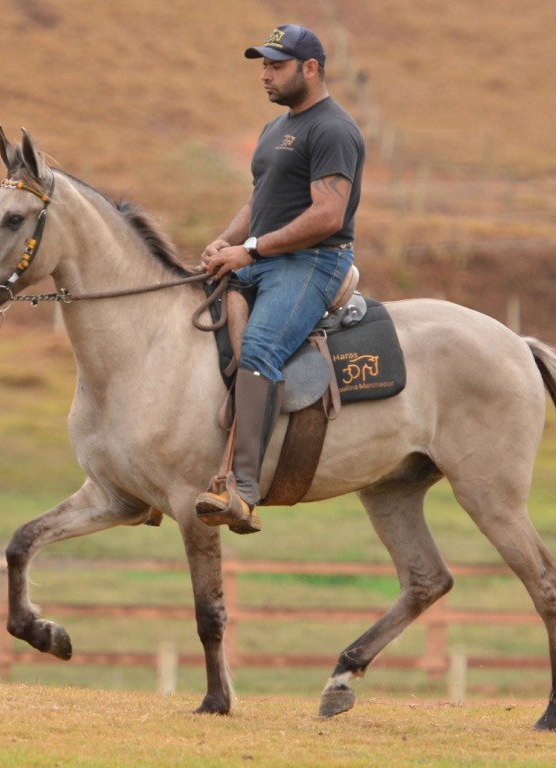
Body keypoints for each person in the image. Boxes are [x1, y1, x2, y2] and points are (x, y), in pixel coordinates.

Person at [194, 24, 366, 534]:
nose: (265, 75)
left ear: (309, 68)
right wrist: (225, 241)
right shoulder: (276, 129)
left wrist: (250, 250)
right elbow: (259, 202)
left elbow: (328, 215)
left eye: (275, 65)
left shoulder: (333, 129)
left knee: (261, 347)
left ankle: (243, 490)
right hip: (264, 255)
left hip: (313, 262)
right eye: (263, 65)